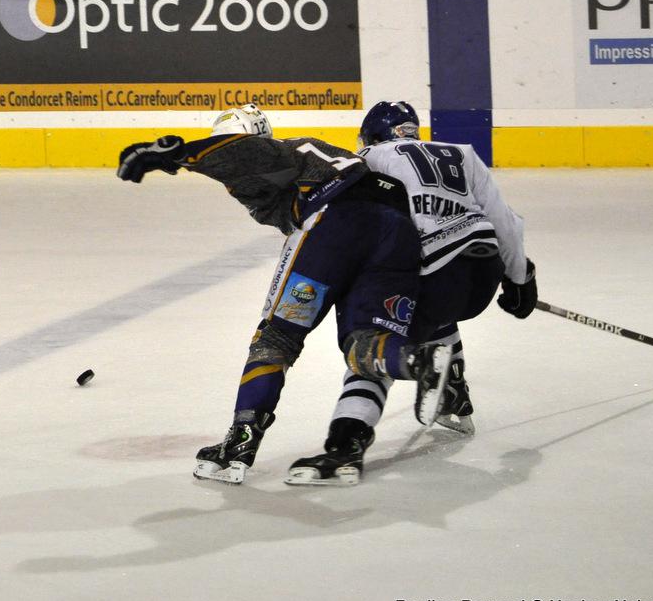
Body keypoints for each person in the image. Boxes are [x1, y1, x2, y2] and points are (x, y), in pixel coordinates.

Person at [117, 104, 454, 485]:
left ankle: (240, 443)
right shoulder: (309, 158)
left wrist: (178, 154)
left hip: (335, 226)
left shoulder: (277, 153)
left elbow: (247, 153)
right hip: (397, 234)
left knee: (277, 337)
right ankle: (418, 360)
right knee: (365, 342)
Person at [294, 101, 536, 481]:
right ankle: (453, 392)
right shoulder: (462, 153)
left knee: (374, 344)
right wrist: (520, 277)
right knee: (433, 305)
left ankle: (345, 447)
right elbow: (505, 222)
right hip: (482, 272)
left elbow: (350, 224)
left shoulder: (369, 158)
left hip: (434, 274)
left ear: (371, 136)